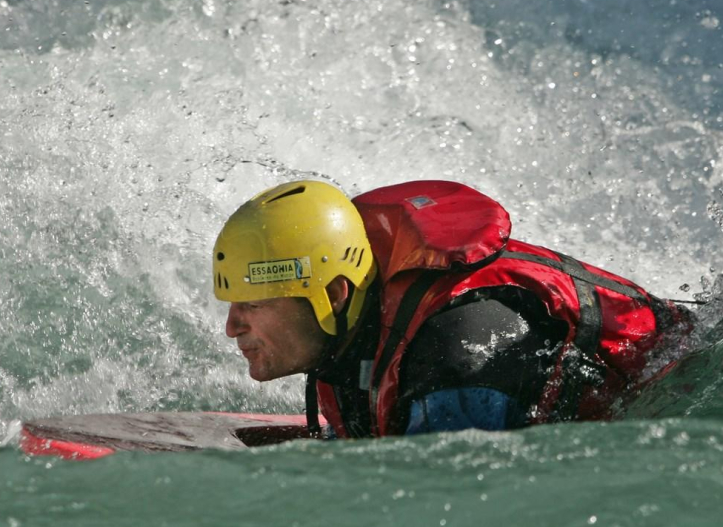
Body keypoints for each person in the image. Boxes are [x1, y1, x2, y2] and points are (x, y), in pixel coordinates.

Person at [213, 179, 692, 438]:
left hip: (688, 384)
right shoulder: (349, 328)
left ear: (335, 294)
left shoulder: (459, 357)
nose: (232, 327)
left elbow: (453, 518)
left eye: (251, 305)